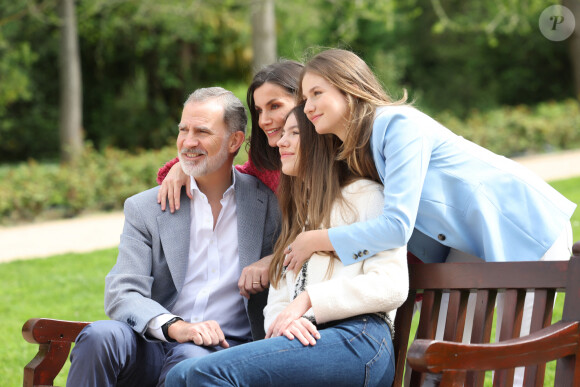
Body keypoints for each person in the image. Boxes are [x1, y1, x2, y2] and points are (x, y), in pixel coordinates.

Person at [285, 48, 576, 386]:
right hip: (467, 242)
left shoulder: (395, 124)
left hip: (522, 224)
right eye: (305, 97)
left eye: (317, 93)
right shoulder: (358, 149)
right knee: (446, 354)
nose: (307, 107)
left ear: (349, 87)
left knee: (521, 367)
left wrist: (315, 240)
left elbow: (396, 226)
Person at [165, 105, 408, 387]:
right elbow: (278, 302)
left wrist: (308, 301)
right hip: (309, 338)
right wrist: (285, 322)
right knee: (179, 375)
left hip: (359, 339)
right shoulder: (299, 217)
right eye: (282, 134)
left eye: (294, 133)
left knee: (202, 374)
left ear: (321, 142)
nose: (281, 141)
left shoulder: (365, 196)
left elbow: (391, 286)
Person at [66, 87, 281, 387]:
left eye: (202, 132)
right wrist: (176, 327)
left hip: (220, 351)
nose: (188, 142)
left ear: (234, 141)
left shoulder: (267, 205)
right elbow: (122, 292)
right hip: (153, 338)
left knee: (192, 363)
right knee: (100, 336)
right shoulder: (145, 207)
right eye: (183, 130)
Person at [156, 60, 303, 298]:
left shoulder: (338, 163)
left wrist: (274, 260)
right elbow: (232, 175)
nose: (264, 120)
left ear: (304, 101)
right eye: (259, 111)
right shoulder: (269, 165)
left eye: (274, 106)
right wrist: (183, 166)